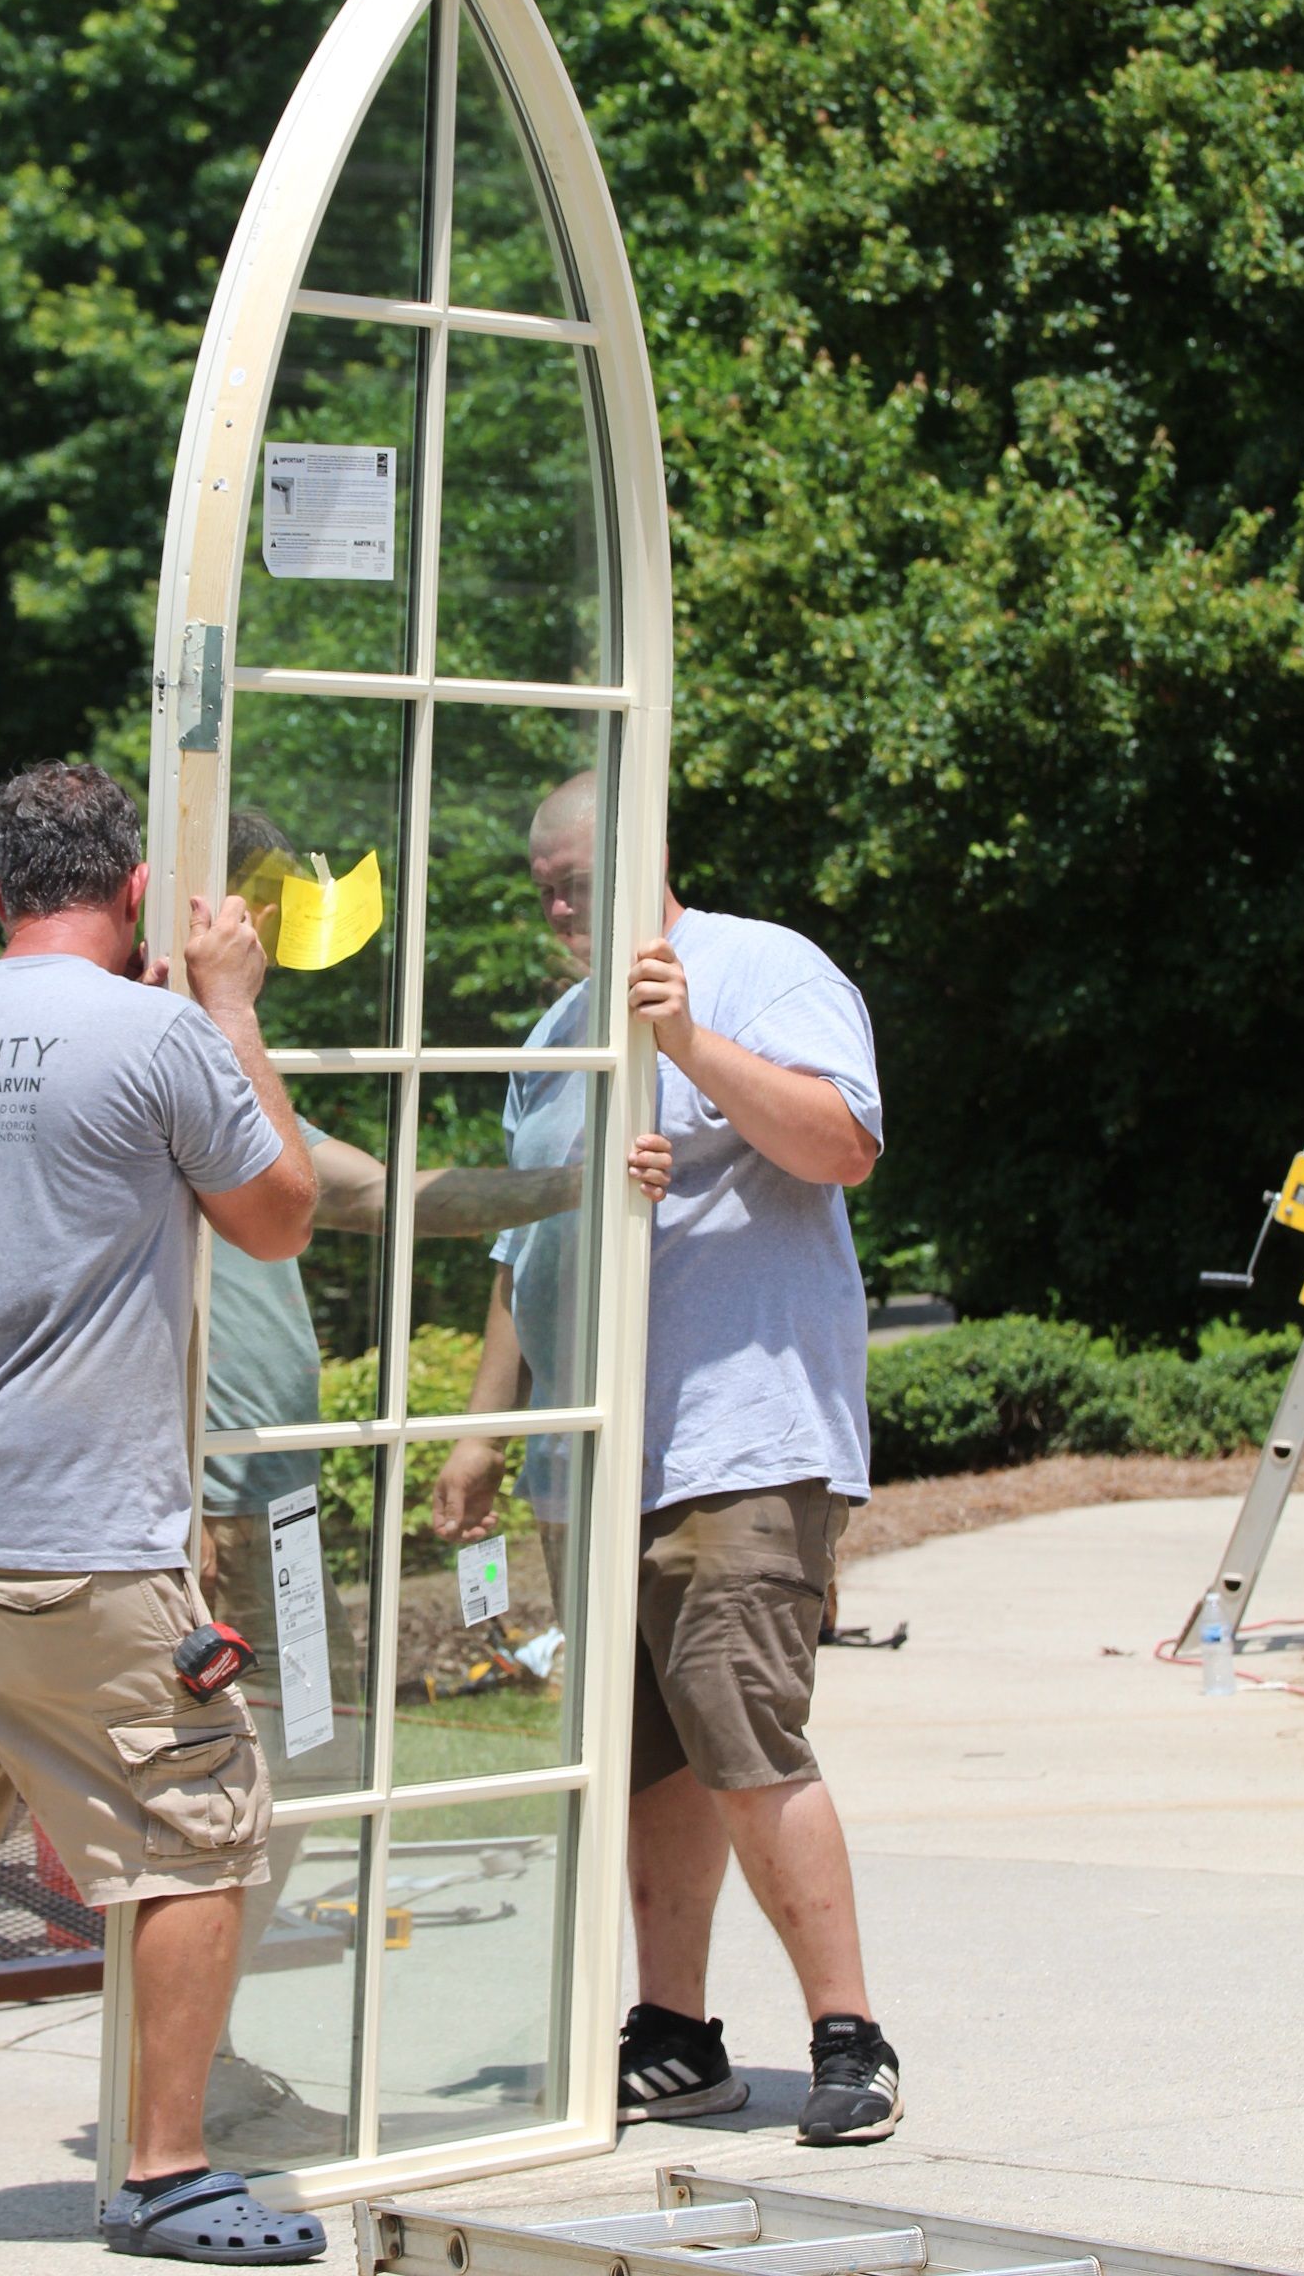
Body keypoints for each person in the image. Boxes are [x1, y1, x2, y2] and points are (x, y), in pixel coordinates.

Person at [0, 760, 329, 2263]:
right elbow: (280, 1212)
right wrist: (232, 1007)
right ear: (129, 897)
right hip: (75, 1536)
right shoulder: (161, 1033)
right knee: (203, 1829)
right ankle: (172, 2173)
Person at [196, 808, 671, 2164]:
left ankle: (210, 2052)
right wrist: (189, 1504)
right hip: (221, 1505)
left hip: (276, 1495)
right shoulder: (165, 1067)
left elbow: (385, 1195)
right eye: (270, 922)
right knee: (224, 1788)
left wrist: (580, 1182)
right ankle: (190, 2071)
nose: (276, 953)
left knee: (297, 1767)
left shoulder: (236, 1068)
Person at [433, 773, 901, 2148]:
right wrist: (484, 1427)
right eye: (547, 890)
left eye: (581, 877)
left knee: (746, 1740)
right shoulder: (554, 1035)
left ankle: (850, 2036)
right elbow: (533, 1242)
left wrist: (691, 1044)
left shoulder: (766, 969)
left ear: (650, 853)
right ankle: (677, 2032)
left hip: (743, 1443)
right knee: (644, 1764)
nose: (563, 907)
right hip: (597, 1461)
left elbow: (845, 1145)